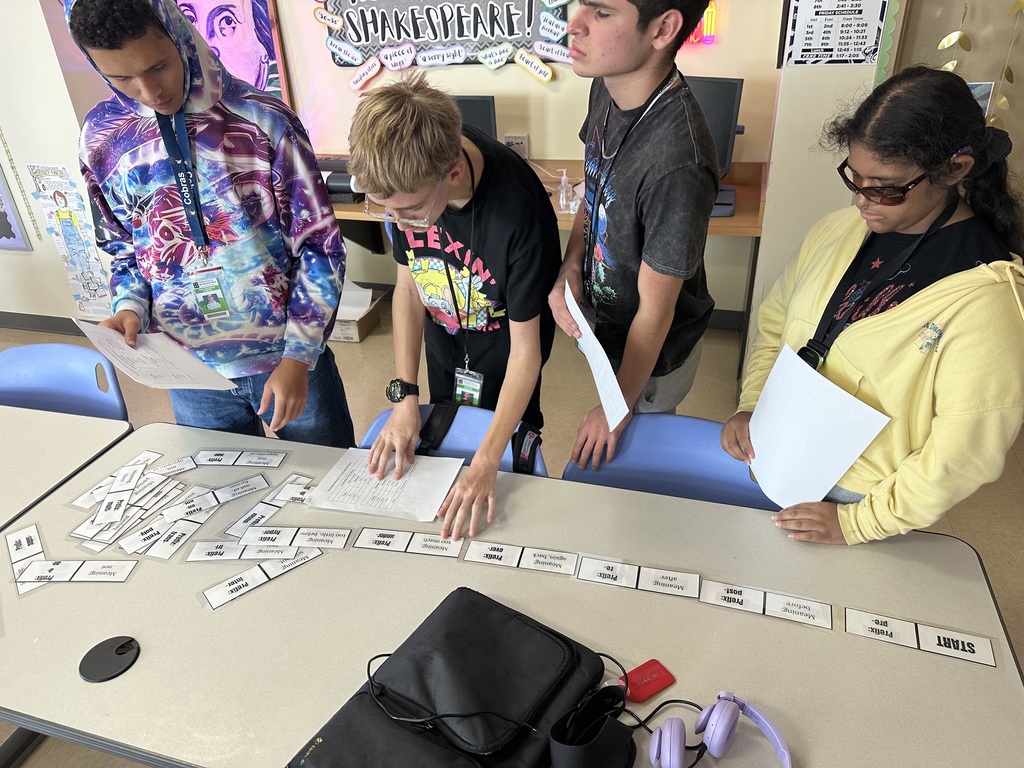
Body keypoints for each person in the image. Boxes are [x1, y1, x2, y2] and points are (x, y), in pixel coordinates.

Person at [721, 66, 1024, 545]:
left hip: (858, 501)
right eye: (854, 178)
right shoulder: (838, 230)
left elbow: (963, 454)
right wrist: (753, 405)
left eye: (885, 187)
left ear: (956, 169)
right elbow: (778, 325)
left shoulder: (986, 301)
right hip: (776, 452)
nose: (863, 201)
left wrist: (857, 523)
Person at [67, 0, 355, 448]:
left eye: (159, 66)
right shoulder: (101, 138)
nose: (150, 91)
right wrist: (129, 308)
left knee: (326, 485)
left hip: (287, 360)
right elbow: (125, 249)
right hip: (189, 369)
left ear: (179, 35)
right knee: (221, 495)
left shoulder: (264, 120)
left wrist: (300, 356)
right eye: (122, 78)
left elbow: (321, 246)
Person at [347, 73, 561, 541]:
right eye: (384, 209)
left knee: (499, 486)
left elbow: (529, 353)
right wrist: (405, 394)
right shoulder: (405, 183)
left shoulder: (519, 216)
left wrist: (487, 462)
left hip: (504, 362)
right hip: (446, 346)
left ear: (454, 174)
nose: (398, 223)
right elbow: (408, 288)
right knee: (439, 453)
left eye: (410, 211)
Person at [548, 0, 719, 471]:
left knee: (635, 456)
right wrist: (571, 264)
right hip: (611, 331)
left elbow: (656, 309)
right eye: (578, 5)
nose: (574, 25)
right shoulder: (607, 85)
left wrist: (615, 404)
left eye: (601, 13)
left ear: (663, 28)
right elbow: (594, 182)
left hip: (653, 355)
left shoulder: (679, 162)